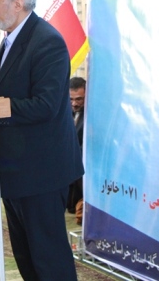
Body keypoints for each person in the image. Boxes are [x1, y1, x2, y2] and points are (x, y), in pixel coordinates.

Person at [0, 0, 83, 280]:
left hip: (41, 172)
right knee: (26, 257)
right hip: (14, 170)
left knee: (49, 259)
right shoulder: (12, 38)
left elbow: (45, 105)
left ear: (18, 3)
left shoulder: (47, 41)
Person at [67, 76, 86, 217]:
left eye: (79, 99)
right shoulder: (65, 110)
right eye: (71, 99)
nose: (74, 103)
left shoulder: (93, 115)